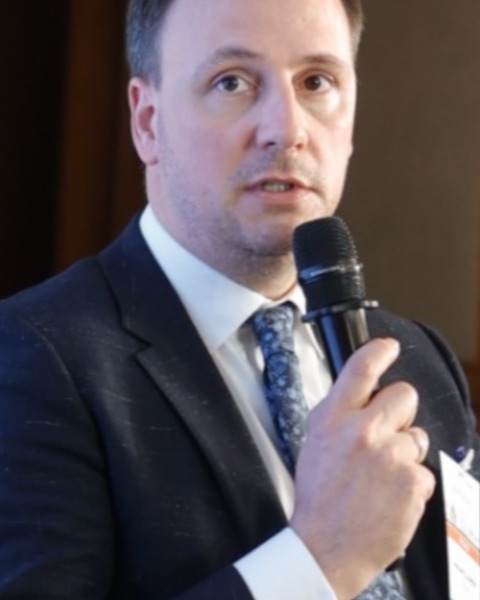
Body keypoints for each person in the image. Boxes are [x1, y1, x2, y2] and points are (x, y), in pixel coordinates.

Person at [0, 0, 478, 598]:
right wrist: (322, 560)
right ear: (147, 121)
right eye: (232, 82)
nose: (288, 129)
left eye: (316, 82)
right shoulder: (32, 360)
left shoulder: (421, 359)